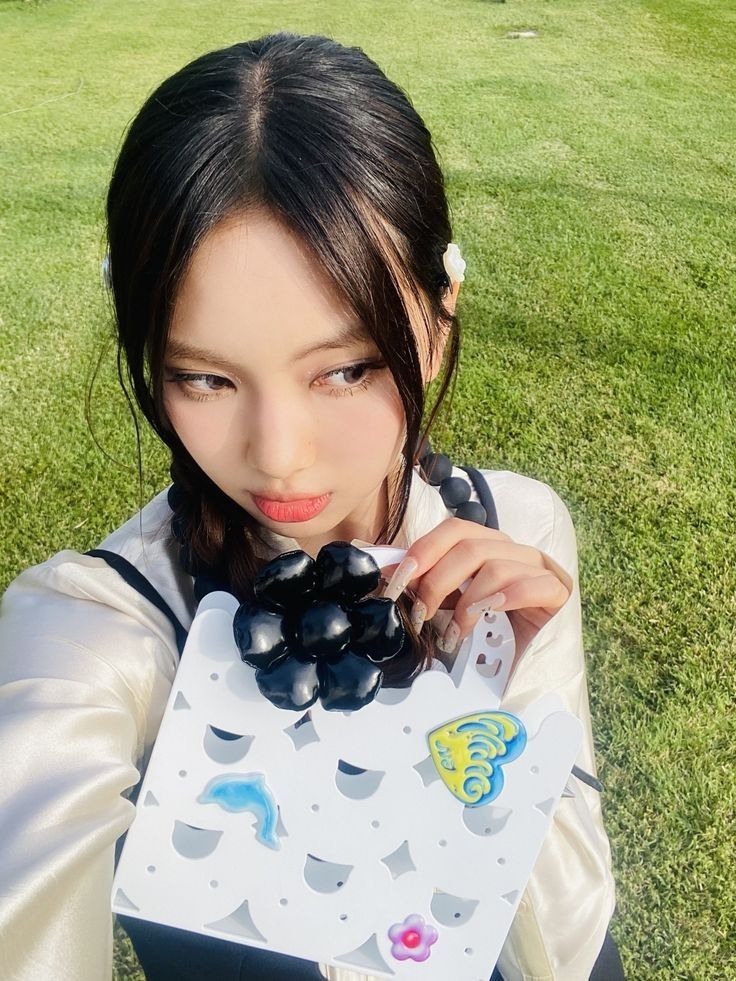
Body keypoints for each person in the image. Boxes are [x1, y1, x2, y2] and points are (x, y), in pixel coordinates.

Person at [0, 31, 622, 981]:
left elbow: (569, 950)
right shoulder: (101, 634)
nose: (277, 454)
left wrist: (506, 724)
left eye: (345, 368)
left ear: (440, 318)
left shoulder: (518, 529)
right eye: (204, 378)